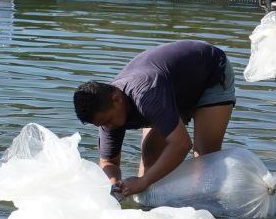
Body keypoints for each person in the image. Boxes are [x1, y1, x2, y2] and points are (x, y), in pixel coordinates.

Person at [72, 40, 235, 197]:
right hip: (170, 88)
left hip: (209, 73)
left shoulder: (146, 96)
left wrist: (143, 182)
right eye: (101, 125)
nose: (108, 127)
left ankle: (205, 204)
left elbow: (181, 145)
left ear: (116, 99)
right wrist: (115, 187)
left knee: (204, 158)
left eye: (108, 121)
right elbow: (109, 163)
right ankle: (150, 207)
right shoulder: (106, 112)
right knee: (150, 152)